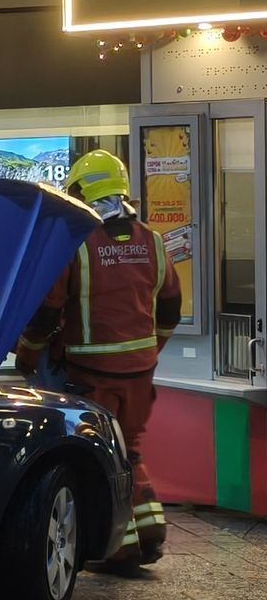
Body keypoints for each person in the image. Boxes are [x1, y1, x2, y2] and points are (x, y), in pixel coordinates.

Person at [15, 150, 181, 573]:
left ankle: (121, 548)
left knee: (104, 455)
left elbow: (49, 312)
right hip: (140, 372)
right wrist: (150, 351)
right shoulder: (153, 242)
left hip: (90, 374)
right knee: (131, 450)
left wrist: (28, 353)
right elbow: (170, 308)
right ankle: (149, 532)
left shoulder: (79, 243)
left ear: (83, 192)